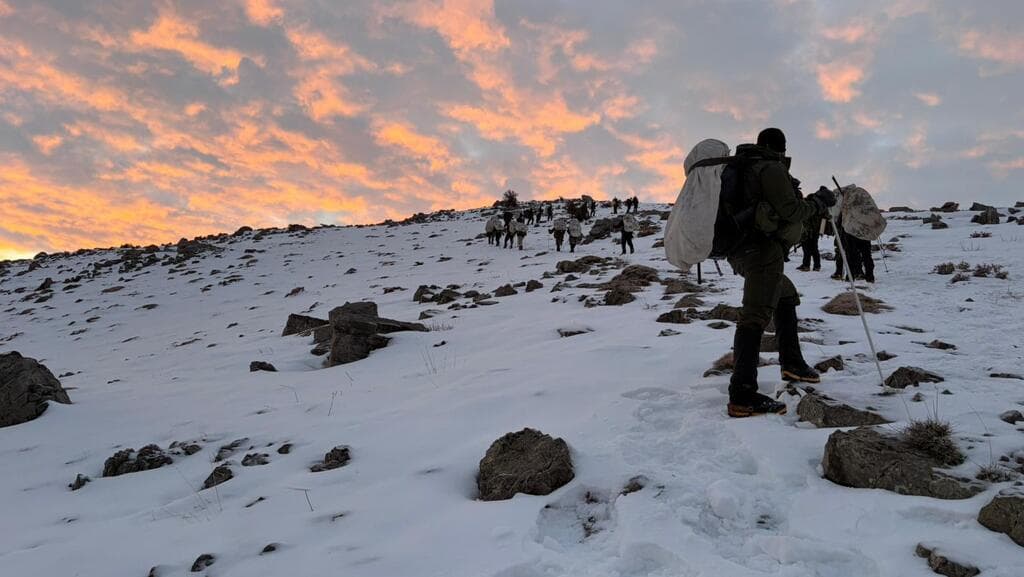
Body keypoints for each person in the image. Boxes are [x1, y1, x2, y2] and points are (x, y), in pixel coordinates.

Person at [725, 127, 836, 418]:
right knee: (755, 314)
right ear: (781, 148)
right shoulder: (769, 168)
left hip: (741, 251)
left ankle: (792, 363)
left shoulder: (745, 167)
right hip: (761, 251)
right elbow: (792, 212)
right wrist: (819, 202)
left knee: (785, 294)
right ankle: (742, 394)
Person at [797, 195, 824, 271]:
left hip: (807, 231)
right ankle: (817, 266)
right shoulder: (818, 208)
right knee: (814, 248)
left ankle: (806, 265)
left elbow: (805, 220)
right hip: (815, 231)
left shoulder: (808, 207)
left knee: (806, 249)